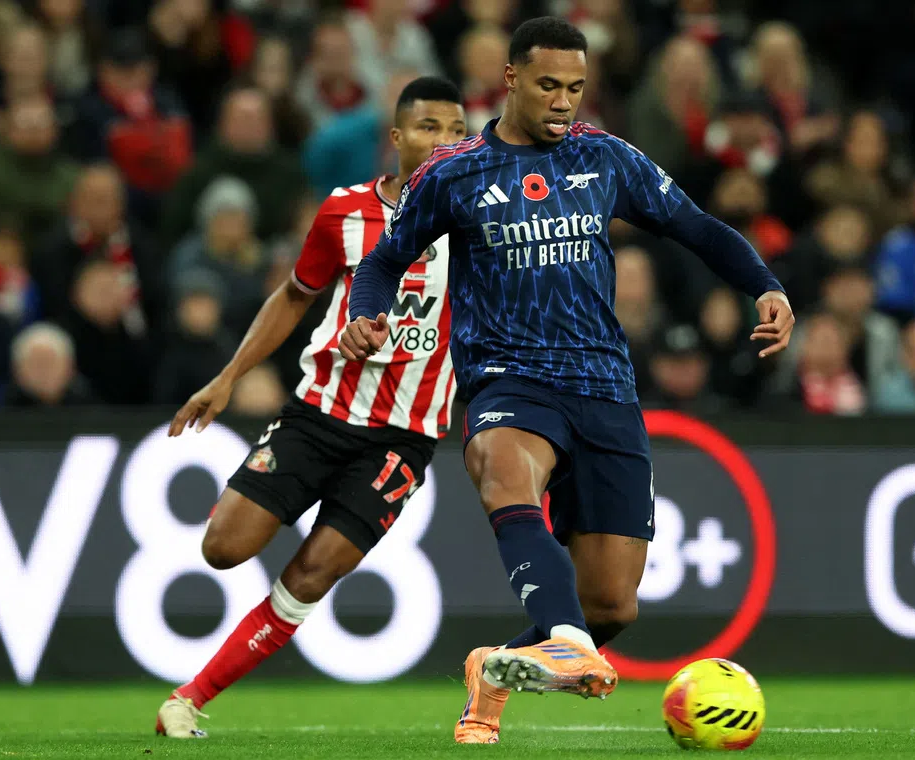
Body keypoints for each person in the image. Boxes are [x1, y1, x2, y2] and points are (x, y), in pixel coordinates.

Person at [341, 17, 793, 745]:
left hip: (604, 388)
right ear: (512, 80)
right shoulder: (453, 173)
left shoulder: (606, 158)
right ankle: (565, 640)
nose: (563, 102)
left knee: (610, 606)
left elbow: (697, 226)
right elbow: (384, 261)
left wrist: (764, 285)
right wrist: (365, 315)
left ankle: (498, 669)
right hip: (508, 377)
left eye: (576, 88)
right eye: (549, 85)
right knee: (502, 470)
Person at [153, 76, 467, 739]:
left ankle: (190, 699)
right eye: (430, 127)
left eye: (457, 130)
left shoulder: (476, 224)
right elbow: (295, 295)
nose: (444, 141)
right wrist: (229, 375)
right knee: (223, 547)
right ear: (398, 137)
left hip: (403, 436)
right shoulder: (344, 212)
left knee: (313, 572)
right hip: (321, 410)